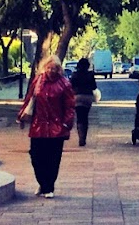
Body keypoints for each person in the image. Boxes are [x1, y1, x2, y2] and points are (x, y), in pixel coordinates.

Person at [18, 54, 76, 197]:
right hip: (39, 125)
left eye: (54, 68)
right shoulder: (38, 81)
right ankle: (43, 183)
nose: (51, 71)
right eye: (49, 68)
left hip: (57, 128)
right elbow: (29, 99)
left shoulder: (64, 84)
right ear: (45, 68)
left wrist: (66, 123)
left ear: (59, 70)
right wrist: (21, 116)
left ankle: (48, 187)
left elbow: (70, 106)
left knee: (53, 159)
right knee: (36, 156)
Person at [69, 58, 98, 146]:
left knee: (79, 117)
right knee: (85, 117)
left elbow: (70, 86)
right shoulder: (90, 75)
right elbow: (94, 87)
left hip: (77, 97)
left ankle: (80, 137)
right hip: (87, 97)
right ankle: (84, 137)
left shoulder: (74, 75)